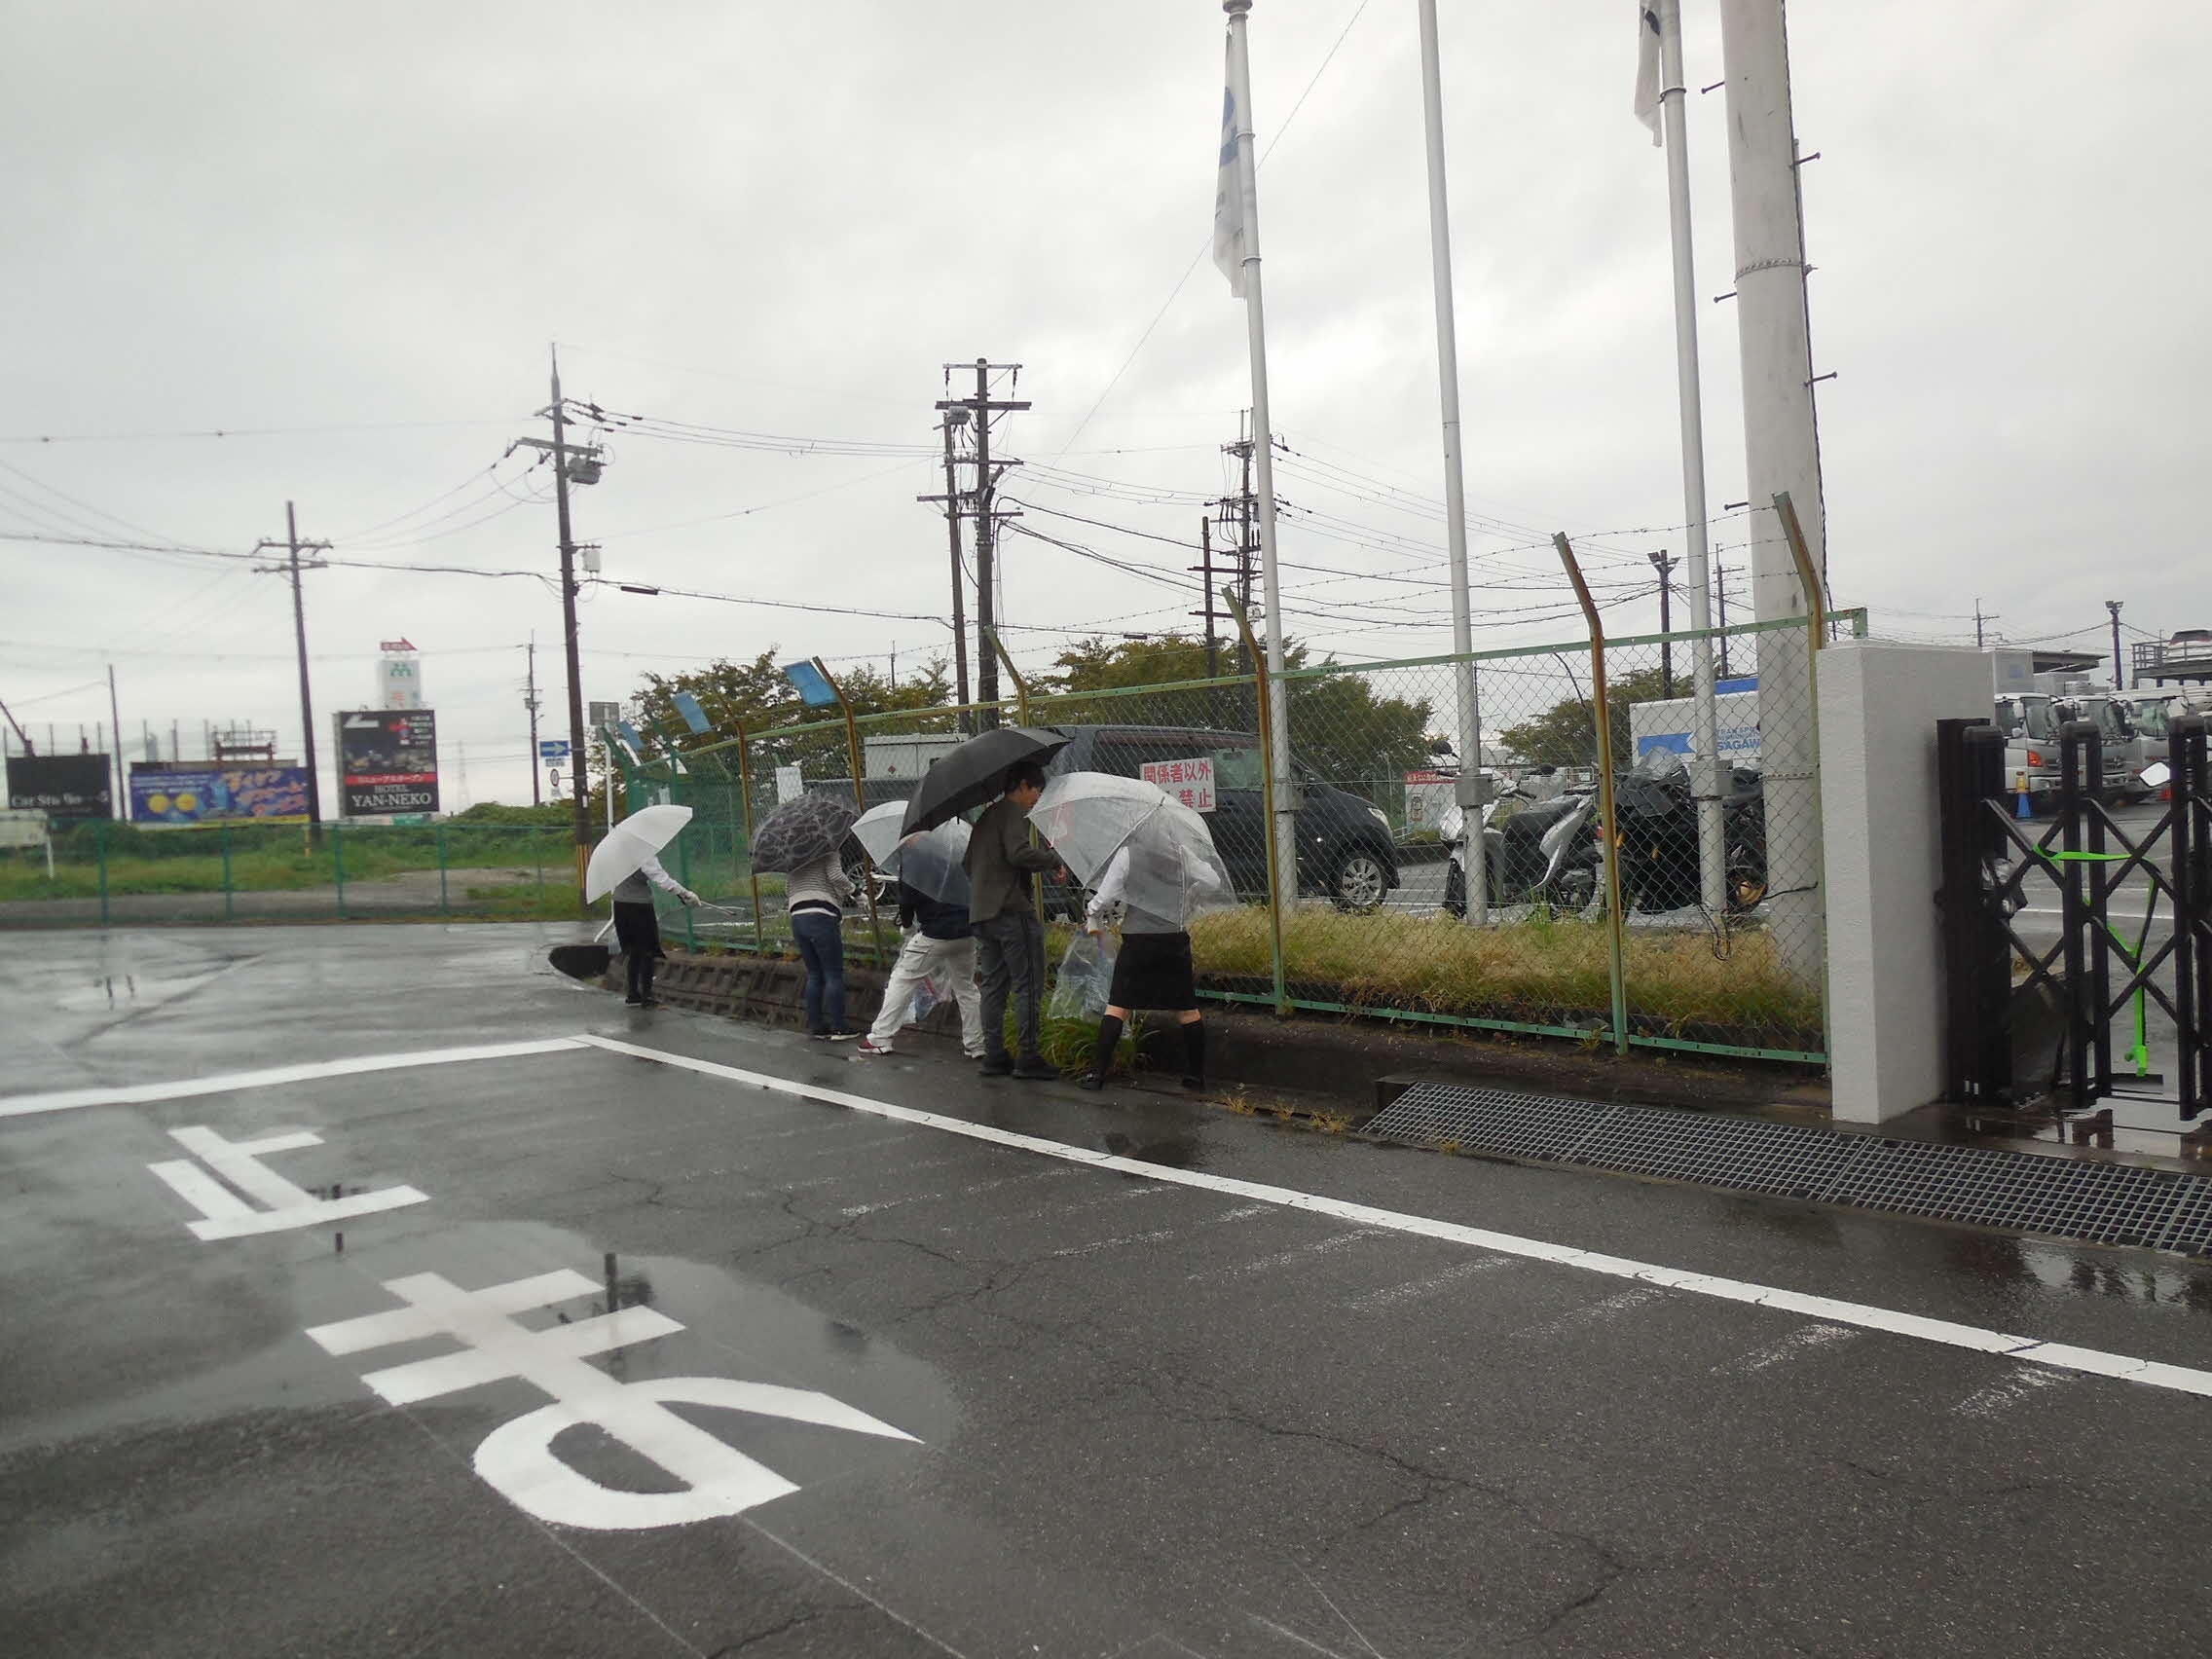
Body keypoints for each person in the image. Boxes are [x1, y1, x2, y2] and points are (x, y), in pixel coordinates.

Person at [1077, 837, 1207, 1091]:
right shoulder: (1182, 854)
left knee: (1118, 1006)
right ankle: (1195, 1077)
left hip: (1138, 940)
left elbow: (1106, 895)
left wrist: (1091, 911)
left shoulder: (1128, 853)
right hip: (1174, 939)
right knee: (1186, 1009)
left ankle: (1097, 1075)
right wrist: (1190, 893)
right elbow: (1212, 879)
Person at [964, 759, 1064, 1079]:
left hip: (982, 911)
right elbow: (1018, 853)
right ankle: (1028, 1057)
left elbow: (968, 863)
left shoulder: (986, 817)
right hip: (1011, 911)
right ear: (1022, 786)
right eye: (1036, 790)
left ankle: (994, 1056)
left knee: (993, 984)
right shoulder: (1014, 813)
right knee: (1028, 984)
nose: (1037, 797)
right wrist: (1052, 860)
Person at [856, 872, 984, 1059]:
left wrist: (907, 926)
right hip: (966, 933)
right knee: (966, 987)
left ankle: (880, 1038)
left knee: (902, 981)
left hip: (933, 934)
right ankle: (976, 1044)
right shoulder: (959, 859)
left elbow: (906, 900)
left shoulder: (918, 861)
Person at [785, 847, 860, 1040]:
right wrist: (855, 891)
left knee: (814, 974)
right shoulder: (828, 847)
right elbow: (835, 875)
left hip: (797, 917)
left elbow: (788, 889)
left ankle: (817, 1026)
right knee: (833, 973)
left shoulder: (793, 853)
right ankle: (839, 1027)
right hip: (821, 914)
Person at [610, 852, 701, 1008]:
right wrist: (685, 893)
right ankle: (647, 996)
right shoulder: (642, 851)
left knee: (633, 950)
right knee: (648, 950)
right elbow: (660, 877)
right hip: (639, 905)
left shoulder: (617, 851)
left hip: (619, 903)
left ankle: (633, 994)